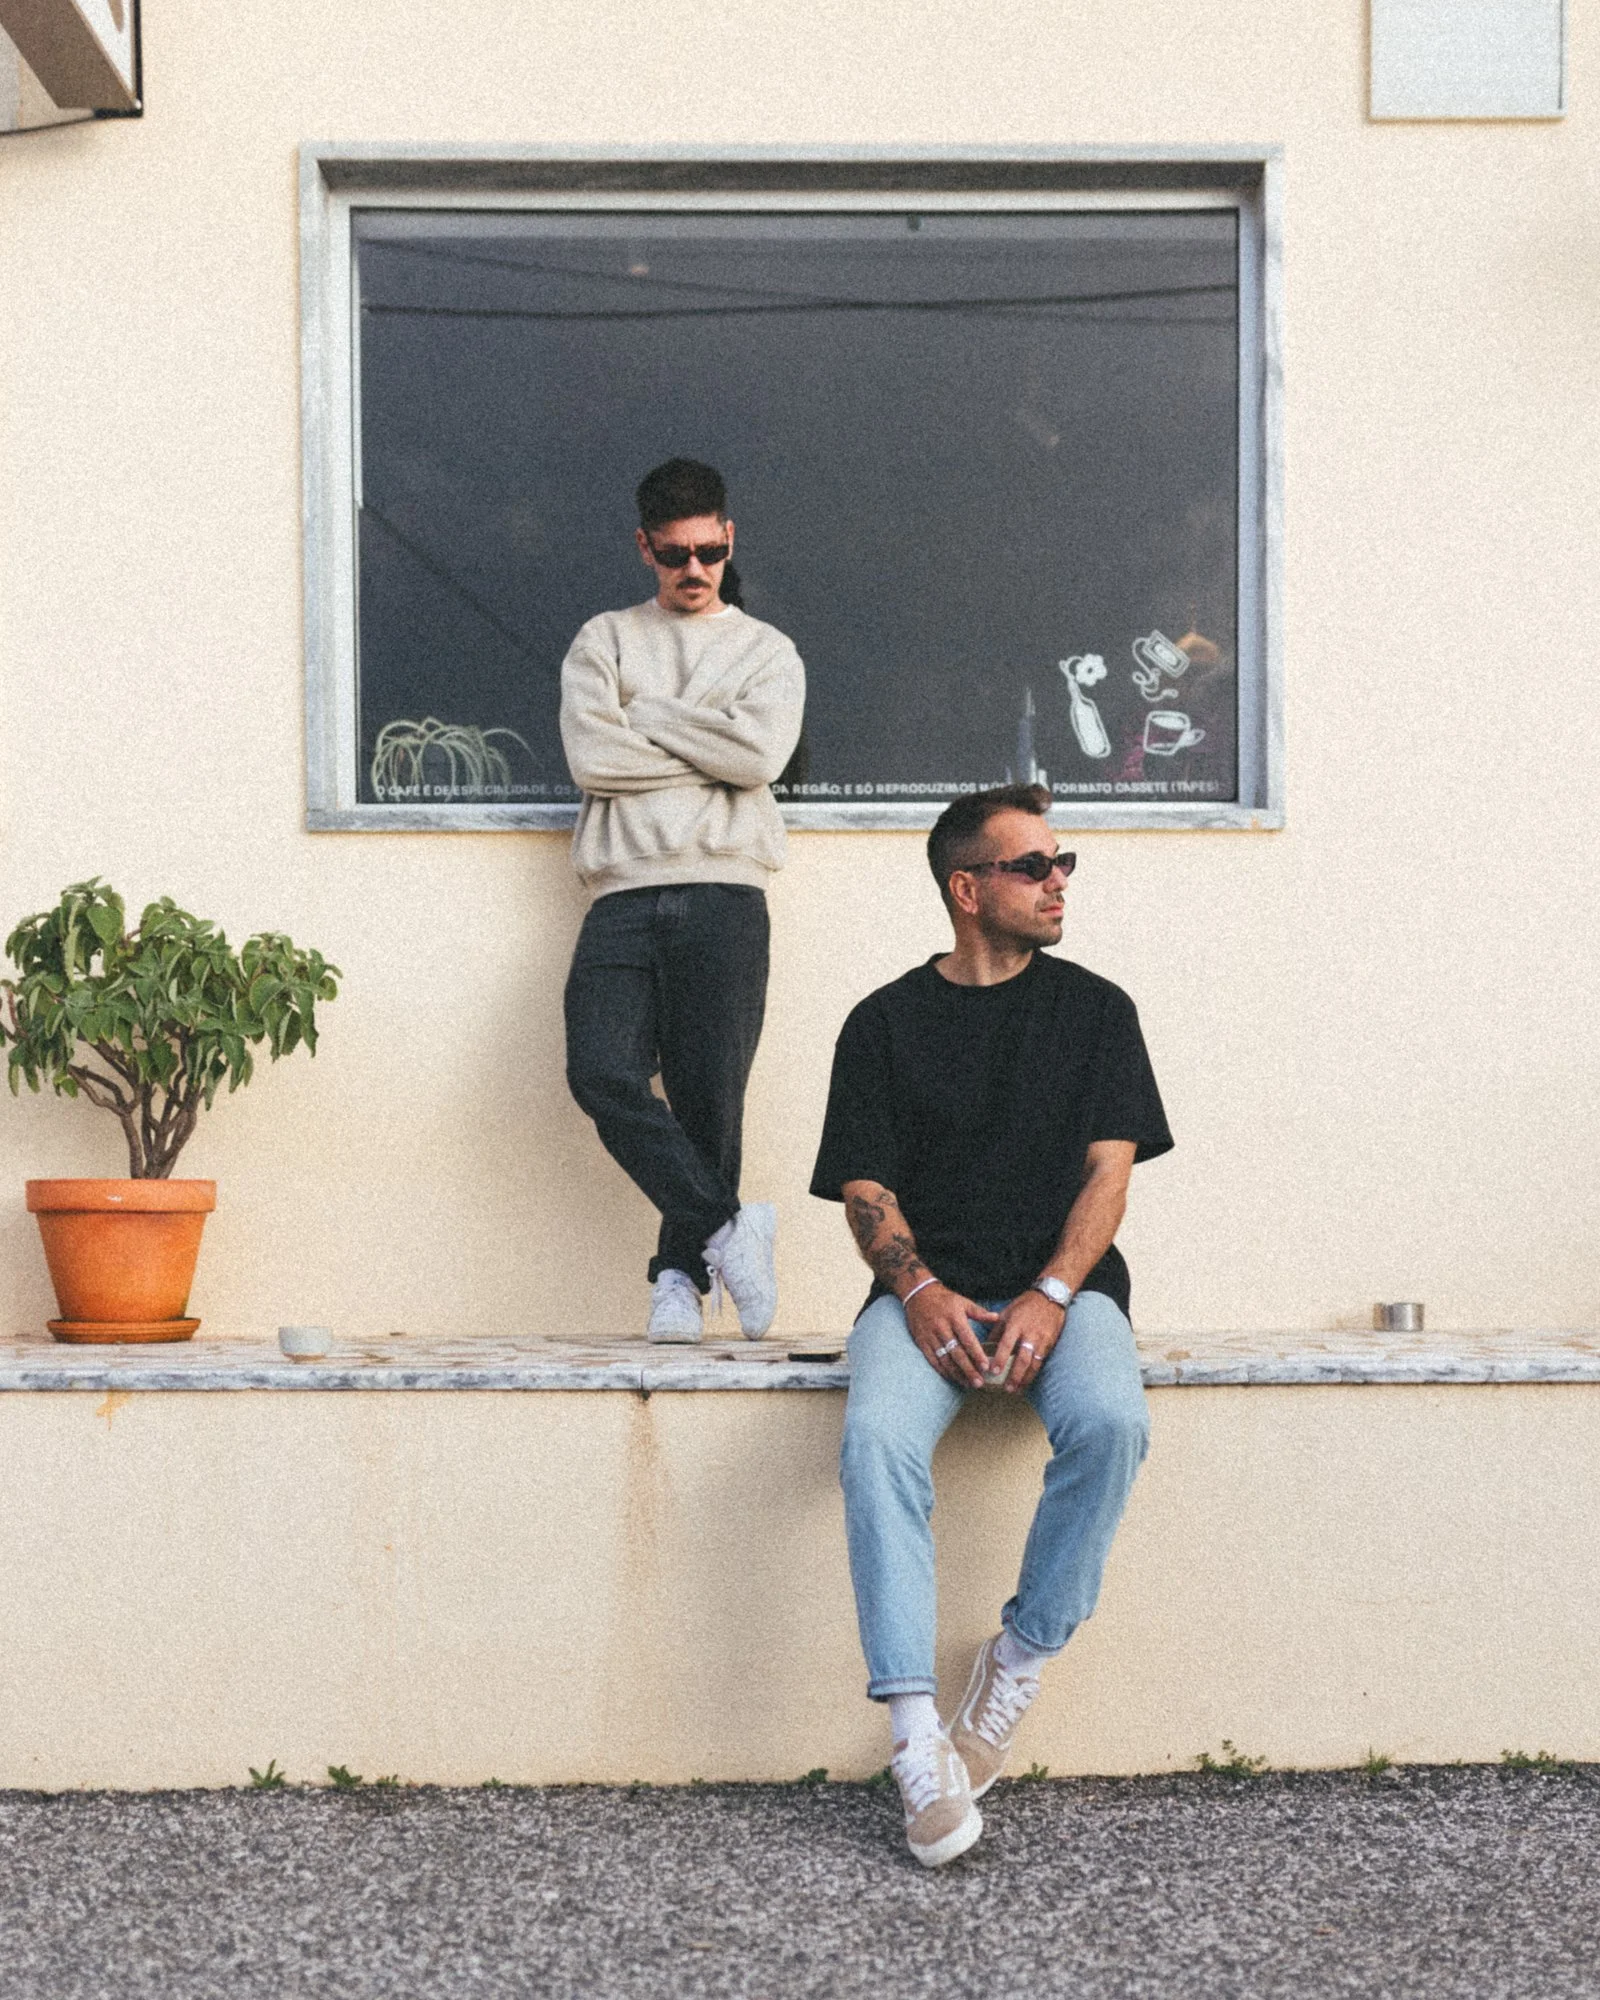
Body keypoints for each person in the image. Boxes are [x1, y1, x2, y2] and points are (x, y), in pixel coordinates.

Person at [809, 783, 1172, 1866]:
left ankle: (1016, 1655)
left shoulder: (1097, 1010)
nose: (1058, 880)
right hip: (924, 1299)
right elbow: (863, 1187)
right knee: (875, 1443)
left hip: (1067, 1291)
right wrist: (917, 1290)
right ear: (967, 890)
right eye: (1034, 865)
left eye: (1064, 863)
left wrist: (1051, 1292)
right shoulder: (882, 1022)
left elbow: (1110, 1175)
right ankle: (917, 1735)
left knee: (1110, 1423)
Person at [561, 459, 805, 1342]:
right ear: (645, 548)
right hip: (622, 893)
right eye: (674, 554)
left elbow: (761, 760)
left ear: (729, 538)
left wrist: (650, 715)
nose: (694, 570)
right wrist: (710, 734)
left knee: (710, 1102)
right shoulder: (603, 641)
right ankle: (729, 1229)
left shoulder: (767, 651)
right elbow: (595, 761)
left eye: (708, 550)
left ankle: (678, 1279)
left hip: (726, 891)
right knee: (600, 1073)